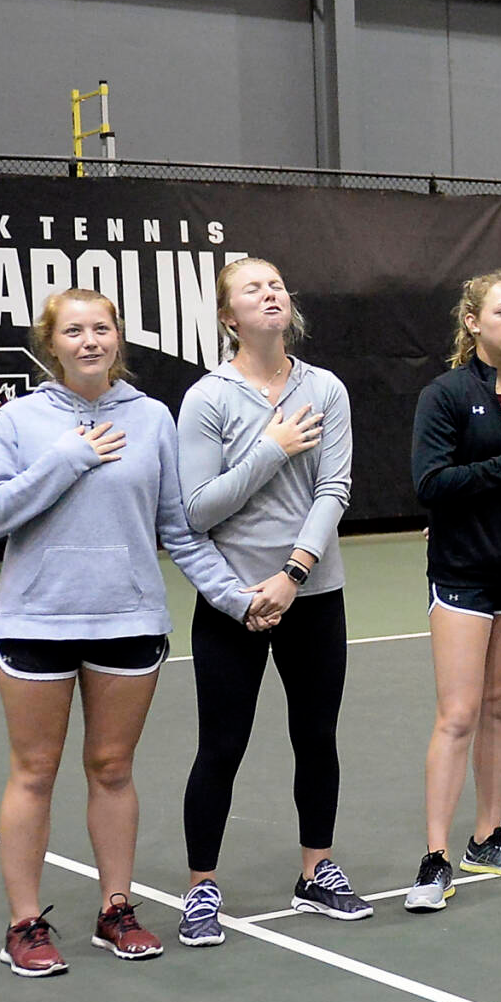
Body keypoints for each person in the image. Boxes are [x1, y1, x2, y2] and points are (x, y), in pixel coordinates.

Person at [0, 287, 267, 978]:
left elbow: (178, 530)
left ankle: (116, 909)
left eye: (100, 327)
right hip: (35, 623)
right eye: (73, 330)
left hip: (128, 622)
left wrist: (234, 596)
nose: (89, 340)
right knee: (35, 771)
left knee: (111, 767)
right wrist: (68, 457)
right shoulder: (20, 419)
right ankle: (24, 923)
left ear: (117, 337)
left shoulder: (153, 417)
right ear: (52, 344)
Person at [176, 258, 365, 947]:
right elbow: (197, 509)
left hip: (313, 595)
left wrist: (293, 573)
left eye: (279, 284)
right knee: (221, 745)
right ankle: (201, 886)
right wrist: (270, 448)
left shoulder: (326, 389)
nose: (272, 293)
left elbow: (333, 490)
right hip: (233, 607)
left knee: (316, 737)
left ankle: (317, 870)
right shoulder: (207, 399)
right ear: (229, 315)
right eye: (254, 288)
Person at [406, 270, 501, 910]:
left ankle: (487, 838)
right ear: (472, 322)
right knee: (458, 713)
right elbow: (430, 484)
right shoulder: (443, 395)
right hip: (462, 573)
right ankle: (436, 859)